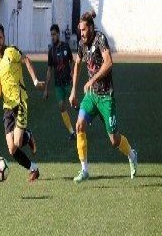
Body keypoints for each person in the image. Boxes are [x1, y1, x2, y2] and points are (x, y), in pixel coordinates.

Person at [69, 11, 138, 183]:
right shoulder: (81, 44)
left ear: (91, 27)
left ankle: (131, 154)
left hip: (106, 96)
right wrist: (73, 91)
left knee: (114, 141)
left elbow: (108, 62)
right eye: (80, 30)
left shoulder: (100, 39)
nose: (82, 33)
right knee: (79, 125)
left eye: (84, 30)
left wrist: (91, 79)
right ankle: (84, 170)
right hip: (91, 96)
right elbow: (77, 65)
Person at [0, 22, 45, 182]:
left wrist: (35, 81)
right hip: (7, 107)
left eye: (0, 37)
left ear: (4, 38)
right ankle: (33, 168)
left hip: (20, 103)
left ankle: (27, 135)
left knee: (18, 141)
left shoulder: (11, 52)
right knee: (12, 149)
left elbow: (26, 60)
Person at [43, 23, 76, 140]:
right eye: (51, 35)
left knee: (74, 104)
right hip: (58, 85)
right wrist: (46, 89)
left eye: (54, 34)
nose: (52, 37)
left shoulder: (66, 47)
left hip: (68, 82)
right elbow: (49, 70)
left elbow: (72, 61)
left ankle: (86, 118)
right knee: (61, 106)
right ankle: (72, 132)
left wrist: (72, 72)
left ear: (58, 34)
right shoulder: (51, 51)